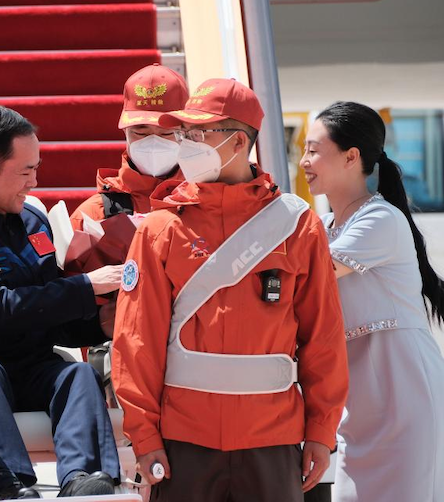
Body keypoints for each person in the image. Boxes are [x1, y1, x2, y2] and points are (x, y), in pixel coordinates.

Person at [111, 78, 349, 502]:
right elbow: (135, 342)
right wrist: (144, 437)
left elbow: (324, 339)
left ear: (239, 142)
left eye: (197, 133)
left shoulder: (298, 226)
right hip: (184, 441)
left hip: (273, 440)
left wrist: (321, 431)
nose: (184, 144)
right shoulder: (160, 228)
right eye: (183, 133)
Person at [0, 106, 123, 500]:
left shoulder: (33, 220)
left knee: (78, 373)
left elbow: (50, 312)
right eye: (25, 171)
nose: (35, 181)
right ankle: (11, 484)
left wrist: (97, 323)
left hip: (35, 365)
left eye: (36, 168)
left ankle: (84, 479)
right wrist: (86, 287)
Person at [299, 101, 444, 502]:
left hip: (405, 395)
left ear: (351, 156)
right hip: (359, 406)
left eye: (313, 150)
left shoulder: (380, 219)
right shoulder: (323, 226)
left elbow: (311, 272)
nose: (303, 161)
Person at [69, 63, 188, 229]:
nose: (153, 142)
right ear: (125, 132)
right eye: (141, 132)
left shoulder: (204, 205)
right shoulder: (93, 216)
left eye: (166, 133)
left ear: (186, 133)